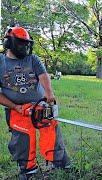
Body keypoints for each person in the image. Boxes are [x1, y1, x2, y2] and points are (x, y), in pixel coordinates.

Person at [0, 27, 70, 179]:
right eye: (21, 43)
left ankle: (59, 161)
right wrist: (16, 107)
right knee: (22, 139)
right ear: (8, 43)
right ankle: (27, 169)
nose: (25, 47)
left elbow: (43, 75)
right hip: (16, 109)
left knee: (51, 130)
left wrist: (49, 94)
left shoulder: (33, 59)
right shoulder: (0, 62)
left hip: (40, 104)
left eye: (27, 44)